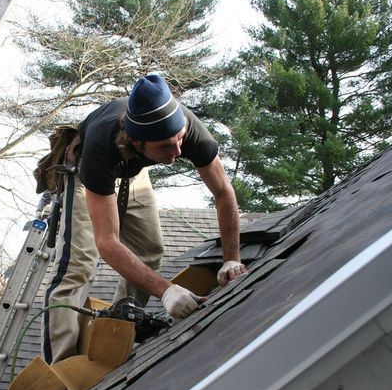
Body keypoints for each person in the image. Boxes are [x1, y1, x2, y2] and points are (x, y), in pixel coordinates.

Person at [42, 73, 246, 364]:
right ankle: (62, 366)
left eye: (180, 140)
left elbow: (224, 192)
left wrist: (231, 259)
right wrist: (167, 291)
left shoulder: (186, 130)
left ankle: (116, 334)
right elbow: (107, 242)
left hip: (133, 170)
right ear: (137, 141)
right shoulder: (100, 148)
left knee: (149, 252)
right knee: (78, 267)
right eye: (166, 146)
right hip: (88, 172)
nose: (177, 152)